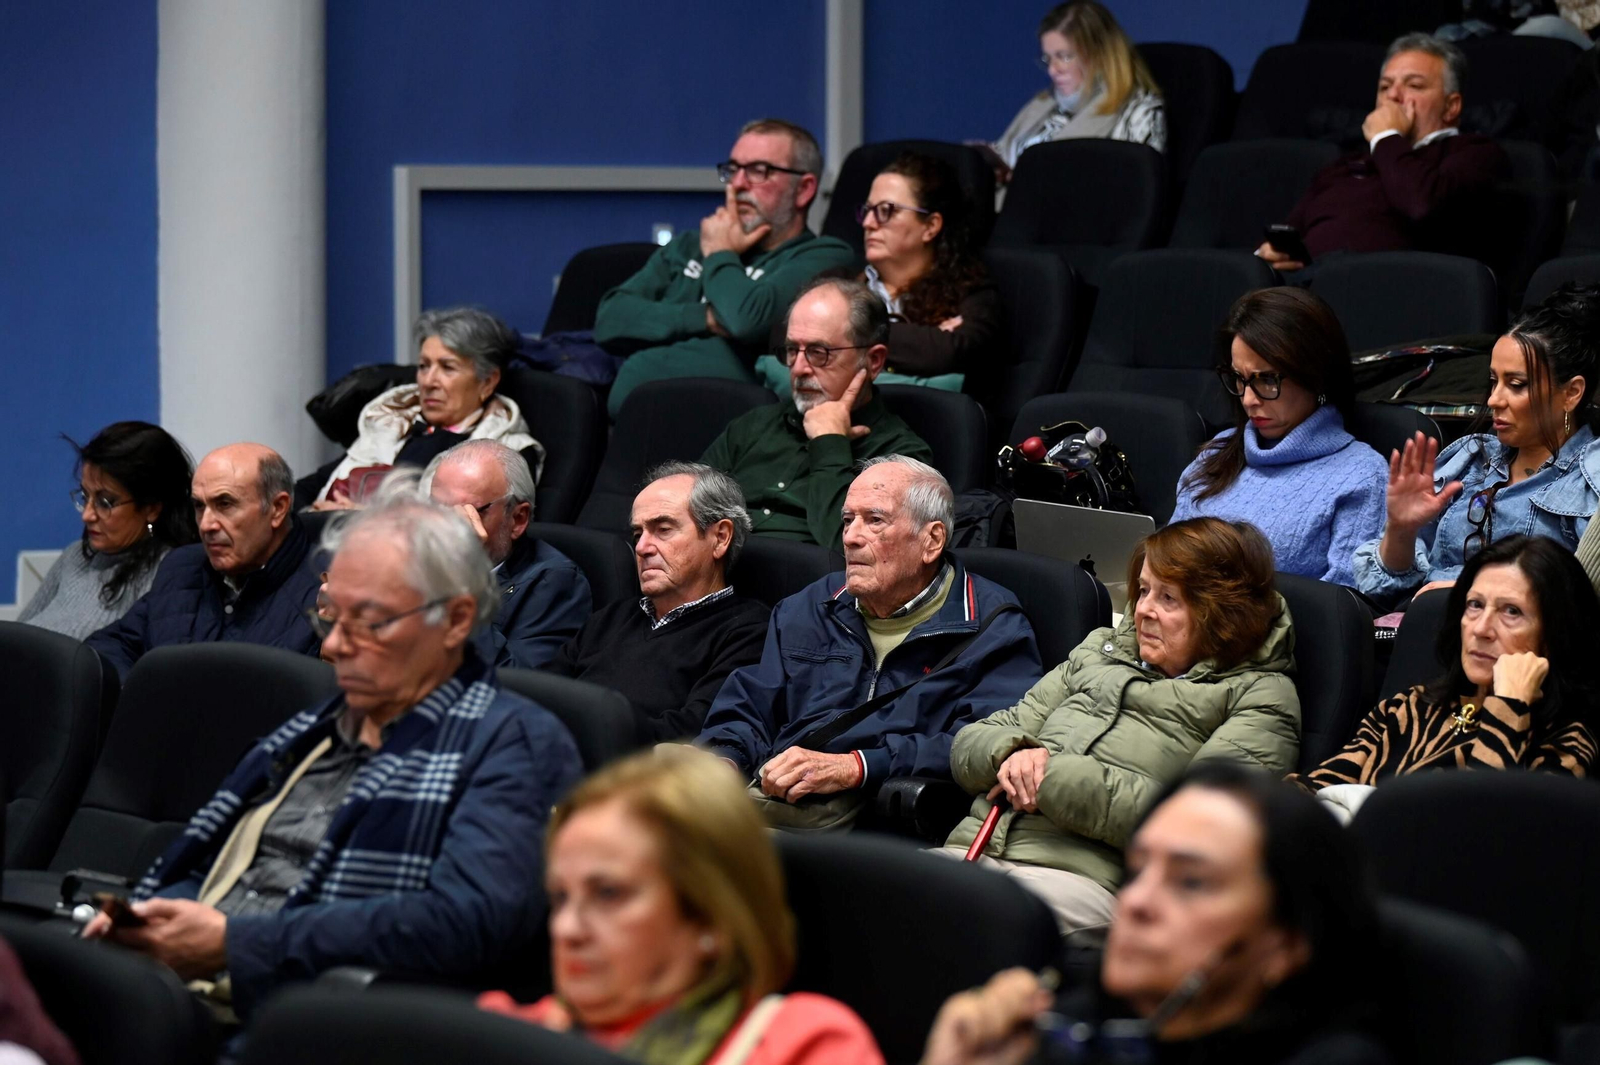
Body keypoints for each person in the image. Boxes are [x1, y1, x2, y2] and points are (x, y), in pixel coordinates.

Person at [83, 492, 583, 1020]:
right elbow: (208, 859)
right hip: (190, 990)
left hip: (322, 1022)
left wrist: (237, 943)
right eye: (330, 618)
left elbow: (468, 921)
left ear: (457, 621)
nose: (336, 646)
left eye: (367, 622)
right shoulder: (312, 727)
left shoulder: (513, 742)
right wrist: (153, 921)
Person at [943, 518, 1299, 937]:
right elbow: (974, 740)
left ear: (1221, 613)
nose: (1144, 609)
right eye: (1144, 590)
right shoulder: (1101, 651)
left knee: (960, 932)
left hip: (1090, 881)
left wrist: (1051, 778)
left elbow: (1203, 823)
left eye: (1168, 598)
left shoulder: (1260, 694)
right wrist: (1009, 752)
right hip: (974, 847)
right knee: (880, 905)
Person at [922, 764, 1389, 1065]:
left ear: (1287, 943)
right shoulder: (1058, 1024)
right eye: (1138, 870)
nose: (1136, 902)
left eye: (1191, 882)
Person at [697, 457, 1043, 831]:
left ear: (932, 541)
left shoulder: (991, 625)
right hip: (777, 803)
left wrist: (858, 766)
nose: (851, 537)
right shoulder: (809, 607)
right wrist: (726, 759)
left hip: (885, 820)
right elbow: (751, 706)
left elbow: (985, 743)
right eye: (848, 520)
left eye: (874, 520)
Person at [480, 748, 883, 1064]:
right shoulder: (502, 1031)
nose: (565, 928)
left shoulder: (806, 1046)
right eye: (560, 897)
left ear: (712, 917)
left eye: (608, 894)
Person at [1294, 535, 1599, 810]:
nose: (1481, 629)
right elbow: (1311, 791)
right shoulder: (1411, 706)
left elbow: (1474, 832)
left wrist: (1509, 708)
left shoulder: (1566, 742)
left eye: (1512, 611)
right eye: (1475, 605)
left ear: (1556, 634)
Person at [1353, 283, 1600, 605]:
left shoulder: (1590, 484)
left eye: (1517, 384)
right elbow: (1380, 590)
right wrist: (1401, 530)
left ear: (1571, 393)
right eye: (1494, 381)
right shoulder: (1468, 459)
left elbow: (1579, 612)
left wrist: (1466, 591)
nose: (1494, 399)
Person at [597, 119, 857, 417]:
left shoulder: (824, 256)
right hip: (629, 427)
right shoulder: (691, 245)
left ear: (804, 189)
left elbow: (747, 320)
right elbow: (609, 318)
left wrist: (721, 252)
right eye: (733, 170)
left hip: (729, 431)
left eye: (758, 171)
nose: (738, 184)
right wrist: (706, 318)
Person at [1171, 288, 1386, 588]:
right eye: (1239, 379)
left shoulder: (1363, 475)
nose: (1248, 400)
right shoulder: (1217, 452)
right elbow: (1164, 565)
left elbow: (1342, 604)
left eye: (1267, 379)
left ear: (1316, 376)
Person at [701, 277, 934, 551]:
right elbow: (689, 509)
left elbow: (856, 550)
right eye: (792, 350)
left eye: (818, 352)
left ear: (873, 361)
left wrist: (829, 442)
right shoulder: (753, 425)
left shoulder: (901, 457)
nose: (799, 368)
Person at [544, 462, 770, 744]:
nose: (641, 548)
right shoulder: (611, 617)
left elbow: (692, 733)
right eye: (637, 534)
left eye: (663, 529)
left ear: (720, 538)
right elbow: (540, 697)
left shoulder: (749, 633)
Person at [1255, 33, 1510, 272]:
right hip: (1308, 288)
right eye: (1385, 87)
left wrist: (1386, 136)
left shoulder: (1475, 153)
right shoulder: (1347, 164)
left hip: (1394, 287)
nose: (1393, 96)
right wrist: (1271, 254)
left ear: (1451, 106)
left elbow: (1421, 205)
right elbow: (1288, 232)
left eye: (1414, 85)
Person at [86, 443, 322, 678]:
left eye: (225, 504)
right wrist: (138, 691)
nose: (206, 525)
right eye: (199, 506)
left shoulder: (327, 590)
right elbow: (109, 646)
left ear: (277, 508)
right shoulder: (182, 566)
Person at [311, 306, 542, 508]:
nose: (428, 381)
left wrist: (364, 521)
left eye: (447, 368)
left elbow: (478, 530)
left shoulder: (508, 452)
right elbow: (315, 484)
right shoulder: (391, 423)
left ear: (488, 382)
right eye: (423, 366)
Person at [19, 421, 198, 640]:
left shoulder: (171, 573)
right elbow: (13, 640)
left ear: (151, 508)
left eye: (105, 502)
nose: (87, 515)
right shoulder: (75, 557)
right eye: (85, 496)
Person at [421, 440, 590, 670]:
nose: (442, 527)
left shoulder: (555, 582)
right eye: (436, 509)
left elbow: (516, 679)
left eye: (465, 512)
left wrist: (462, 578)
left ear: (518, 518)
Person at [858, 152, 1004, 388]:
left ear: (930, 226)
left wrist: (845, 334)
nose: (868, 223)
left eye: (886, 210)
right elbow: (791, 335)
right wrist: (924, 337)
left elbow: (949, 352)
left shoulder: (973, 294)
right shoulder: (841, 280)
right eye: (868, 210)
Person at [988, 1, 1167, 179]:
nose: (1052, 70)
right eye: (1048, 59)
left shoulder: (1139, 114)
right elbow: (1003, 153)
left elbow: (1134, 188)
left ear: (1101, 55)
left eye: (1064, 57)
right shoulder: (1042, 104)